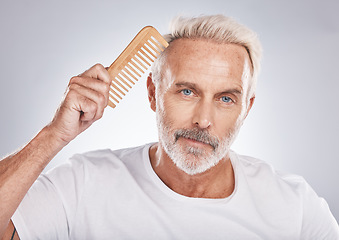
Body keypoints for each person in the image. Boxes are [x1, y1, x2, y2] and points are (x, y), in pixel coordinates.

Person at [0, 14, 338, 239]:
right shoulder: (83, 184)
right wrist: (52, 136)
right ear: (152, 93)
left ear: (246, 109)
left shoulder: (295, 208)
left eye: (225, 99)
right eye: (187, 91)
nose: (203, 120)